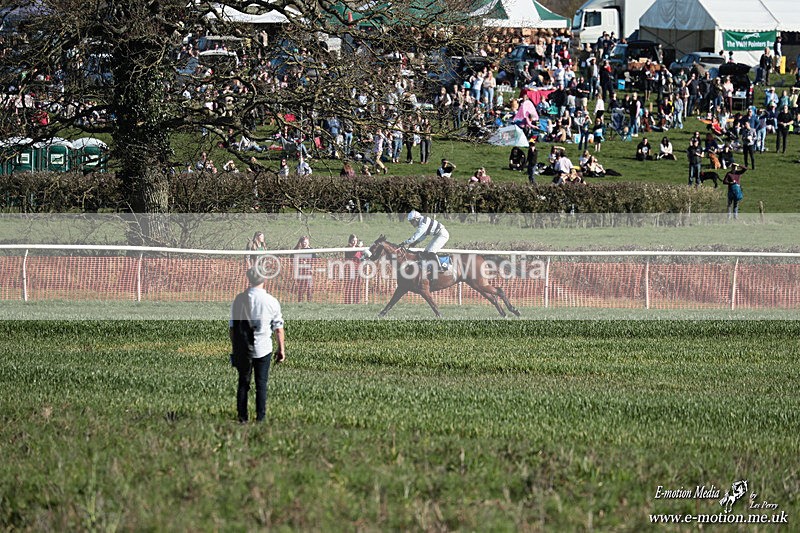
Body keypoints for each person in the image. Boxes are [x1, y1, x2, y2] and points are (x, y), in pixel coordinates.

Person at [229, 266, 285, 424]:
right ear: (264, 279)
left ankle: (242, 418)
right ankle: (260, 418)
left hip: (243, 349)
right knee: (261, 384)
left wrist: (236, 348)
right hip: (264, 348)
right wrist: (281, 349)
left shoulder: (239, 299)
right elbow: (278, 328)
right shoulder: (271, 301)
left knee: (243, 383)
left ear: (249, 279)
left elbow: (232, 328)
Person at [343, 234, 363, 304]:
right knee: (349, 286)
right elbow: (351, 253)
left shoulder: (359, 248)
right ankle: (347, 301)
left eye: (356, 240)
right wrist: (358, 247)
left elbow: (362, 256)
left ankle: (356, 301)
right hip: (350, 269)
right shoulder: (347, 248)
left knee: (357, 286)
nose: (355, 242)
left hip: (358, 269)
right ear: (350, 240)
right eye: (353, 240)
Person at [293, 236, 314, 301]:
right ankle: (300, 301)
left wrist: (312, 268)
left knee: (309, 287)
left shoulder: (312, 250)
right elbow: (292, 258)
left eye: (306, 242)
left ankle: (309, 301)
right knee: (300, 287)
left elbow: (314, 260)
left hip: (308, 271)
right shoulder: (297, 250)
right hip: (300, 271)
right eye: (304, 242)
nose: (305, 243)